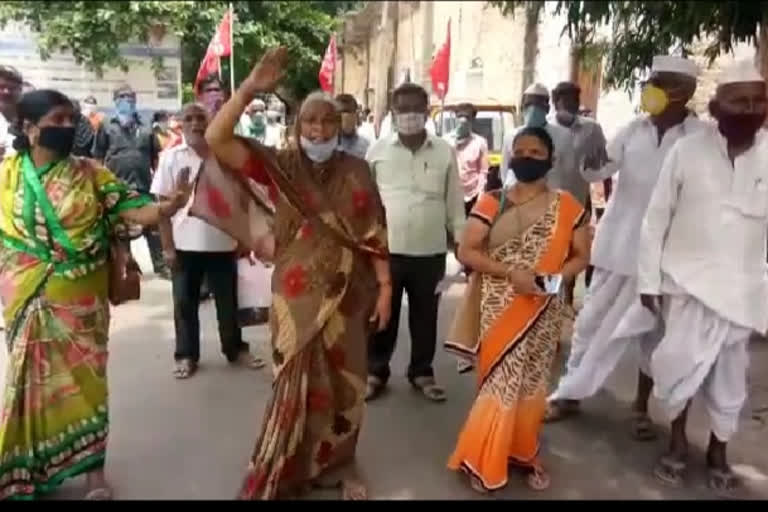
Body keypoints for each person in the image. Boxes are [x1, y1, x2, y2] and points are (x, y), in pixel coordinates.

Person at [197, 47, 391, 500]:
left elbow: (376, 233)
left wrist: (385, 288)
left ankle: (338, 465)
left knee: (348, 382)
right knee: (294, 380)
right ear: (297, 126)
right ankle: (288, 460)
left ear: (339, 124)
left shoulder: (359, 170)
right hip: (296, 292)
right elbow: (216, 138)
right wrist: (248, 89)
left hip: (351, 291)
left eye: (327, 121)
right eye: (310, 122)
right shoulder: (281, 165)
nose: (319, 129)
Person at [0, 89, 191, 500]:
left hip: (81, 303)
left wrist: (166, 208)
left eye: (72, 120)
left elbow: (132, 208)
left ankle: (93, 475)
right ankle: (23, 470)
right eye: (58, 121)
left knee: (87, 386)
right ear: (30, 130)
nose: (69, 128)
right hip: (25, 298)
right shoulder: (6, 176)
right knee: (26, 386)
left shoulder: (90, 173)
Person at [546, 56, 704, 439]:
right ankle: (569, 394)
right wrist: (592, 162)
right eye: (651, 82)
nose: (652, 90)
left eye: (661, 83)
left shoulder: (700, 138)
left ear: (685, 92)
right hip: (619, 246)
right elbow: (598, 171)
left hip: (669, 256)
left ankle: (640, 407)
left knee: (655, 334)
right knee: (590, 321)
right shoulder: (632, 130)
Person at [638, 60, 767, 493]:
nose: (749, 108)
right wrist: (647, 282)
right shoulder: (687, 151)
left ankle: (718, 450)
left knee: (730, 377)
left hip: (743, 291)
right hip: (686, 283)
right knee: (677, 367)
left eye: (757, 100)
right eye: (739, 100)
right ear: (717, 106)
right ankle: (676, 442)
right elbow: (655, 220)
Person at [446, 127, 590, 493]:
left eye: (536, 152)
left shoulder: (569, 206)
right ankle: (483, 459)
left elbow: (581, 256)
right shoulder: (492, 201)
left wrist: (552, 281)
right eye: (520, 150)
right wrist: (511, 272)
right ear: (509, 157)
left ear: (551, 160)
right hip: (500, 304)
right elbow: (467, 251)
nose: (527, 157)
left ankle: (523, 452)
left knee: (531, 383)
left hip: (544, 310)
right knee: (502, 378)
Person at [366, 82, 466, 403]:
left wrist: (462, 243)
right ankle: (375, 371)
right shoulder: (377, 151)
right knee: (384, 315)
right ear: (393, 113)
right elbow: (365, 204)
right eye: (403, 109)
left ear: (427, 111)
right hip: (387, 252)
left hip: (430, 251)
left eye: (415, 108)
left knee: (426, 315)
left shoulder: (444, 151)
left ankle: (422, 371)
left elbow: (455, 203)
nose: (410, 114)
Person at [151, 102, 265, 379]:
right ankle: (186, 355)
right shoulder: (171, 157)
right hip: (183, 245)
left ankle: (235, 348)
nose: (195, 124)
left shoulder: (225, 155)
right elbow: (161, 207)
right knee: (184, 304)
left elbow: (243, 199)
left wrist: (246, 239)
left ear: (211, 120)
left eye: (200, 118)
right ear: (180, 123)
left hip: (223, 243)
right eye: (188, 118)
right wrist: (166, 247)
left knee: (228, 304)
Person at [92, 84, 169, 279]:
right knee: (121, 230)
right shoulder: (106, 125)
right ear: (115, 100)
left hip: (144, 185)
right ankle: (126, 266)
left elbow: (155, 158)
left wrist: (159, 184)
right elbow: (98, 157)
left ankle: (161, 266)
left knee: (153, 227)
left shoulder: (146, 127)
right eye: (122, 97)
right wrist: (99, 186)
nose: (127, 100)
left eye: (130, 97)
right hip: (116, 188)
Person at [549, 81, 609, 297]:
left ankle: (567, 294)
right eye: (565, 101)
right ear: (555, 103)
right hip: (548, 202)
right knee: (551, 251)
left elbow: (603, 163)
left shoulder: (591, 129)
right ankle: (548, 297)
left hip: (578, 201)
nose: (570, 106)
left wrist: (608, 201)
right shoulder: (544, 128)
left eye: (574, 101)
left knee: (576, 251)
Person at [500, 83, 577, 206]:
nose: (533, 108)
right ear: (522, 107)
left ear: (547, 108)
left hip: (550, 200)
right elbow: (505, 170)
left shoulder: (563, 135)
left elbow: (569, 170)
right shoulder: (511, 136)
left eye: (538, 104)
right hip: (516, 200)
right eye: (529, 104)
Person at [444, 102, 490, 217]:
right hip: (451, 194)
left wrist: (480, 193)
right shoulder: (446, 140)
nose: (463, 121)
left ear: (472, 121)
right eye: (460, 117)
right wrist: (455, 141)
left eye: (467, 118)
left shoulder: (480, 142)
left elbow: (483, 171)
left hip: (472, 195)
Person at [336, 94, 370, 159]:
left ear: (355, 115)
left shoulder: (366, 146)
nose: (343, 117)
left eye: (347, 112)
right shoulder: (327, 147)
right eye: (339, 113)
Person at [0, 65, 23, 160]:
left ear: (20, 90)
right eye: (1, 87)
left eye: (12, 88)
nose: (6, 92)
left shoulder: (32, 119)